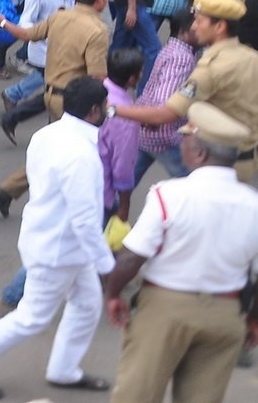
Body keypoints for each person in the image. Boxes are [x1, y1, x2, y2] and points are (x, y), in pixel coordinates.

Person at [0, 78, 115, 401]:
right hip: (60, 249)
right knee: (32, 317)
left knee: (86, 304)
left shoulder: (47, 135)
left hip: (53, 240)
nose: (109, 111)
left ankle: (64, 370)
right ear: (95, 111)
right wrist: (107, 265)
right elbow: (84, 219)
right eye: (105, 107)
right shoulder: (82, 155)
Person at [104, 103, 258, 403]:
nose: (181, 146)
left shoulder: (169, 194)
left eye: (185, 140)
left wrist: (113, 294)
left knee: (137, 395)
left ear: (200, 154)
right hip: (225, 315)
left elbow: (133, 257)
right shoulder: (254, 205)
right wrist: (252, 319)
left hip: (166, 309)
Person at [0, 0, 111, 218]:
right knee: (84, 152)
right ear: (100, 0)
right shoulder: (97, 31)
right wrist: (109, 107)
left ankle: (8, 190)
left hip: (51, 95)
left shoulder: (59, 16)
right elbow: (97, 77)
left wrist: (2, 23)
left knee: (54, 151)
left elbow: (27, 35)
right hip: (76, 104)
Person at [112, 0, 258, 183]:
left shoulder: (210, 69)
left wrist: (112, 109)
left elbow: (165, 114)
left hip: (217, 163)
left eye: (199, 21)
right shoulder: (250, 56)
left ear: (220, 27)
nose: (194, 27)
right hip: (244, 158)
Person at [0, 0, 73, 145]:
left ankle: (14, 106)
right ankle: (15, 113)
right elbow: (26, 21)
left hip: (63, 49)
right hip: (45, 49)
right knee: (59, 91)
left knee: (54, 89)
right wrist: (41, 35)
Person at [132, 8, 198, 186]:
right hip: (163, 134)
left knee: (127, 182)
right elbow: (164, 100)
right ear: (184, 32)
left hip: (146, 132)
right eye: (196, 27)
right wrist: (157, 121)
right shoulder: (182, 58)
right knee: (192, 183)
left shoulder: (171, 49)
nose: (201, 30)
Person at [98, 49, 144, 223]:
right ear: (131, 79)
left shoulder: (99, 90)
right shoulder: (126, 117)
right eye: (140, 71)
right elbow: (122, 167)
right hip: (102, 194)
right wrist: (124, 207)